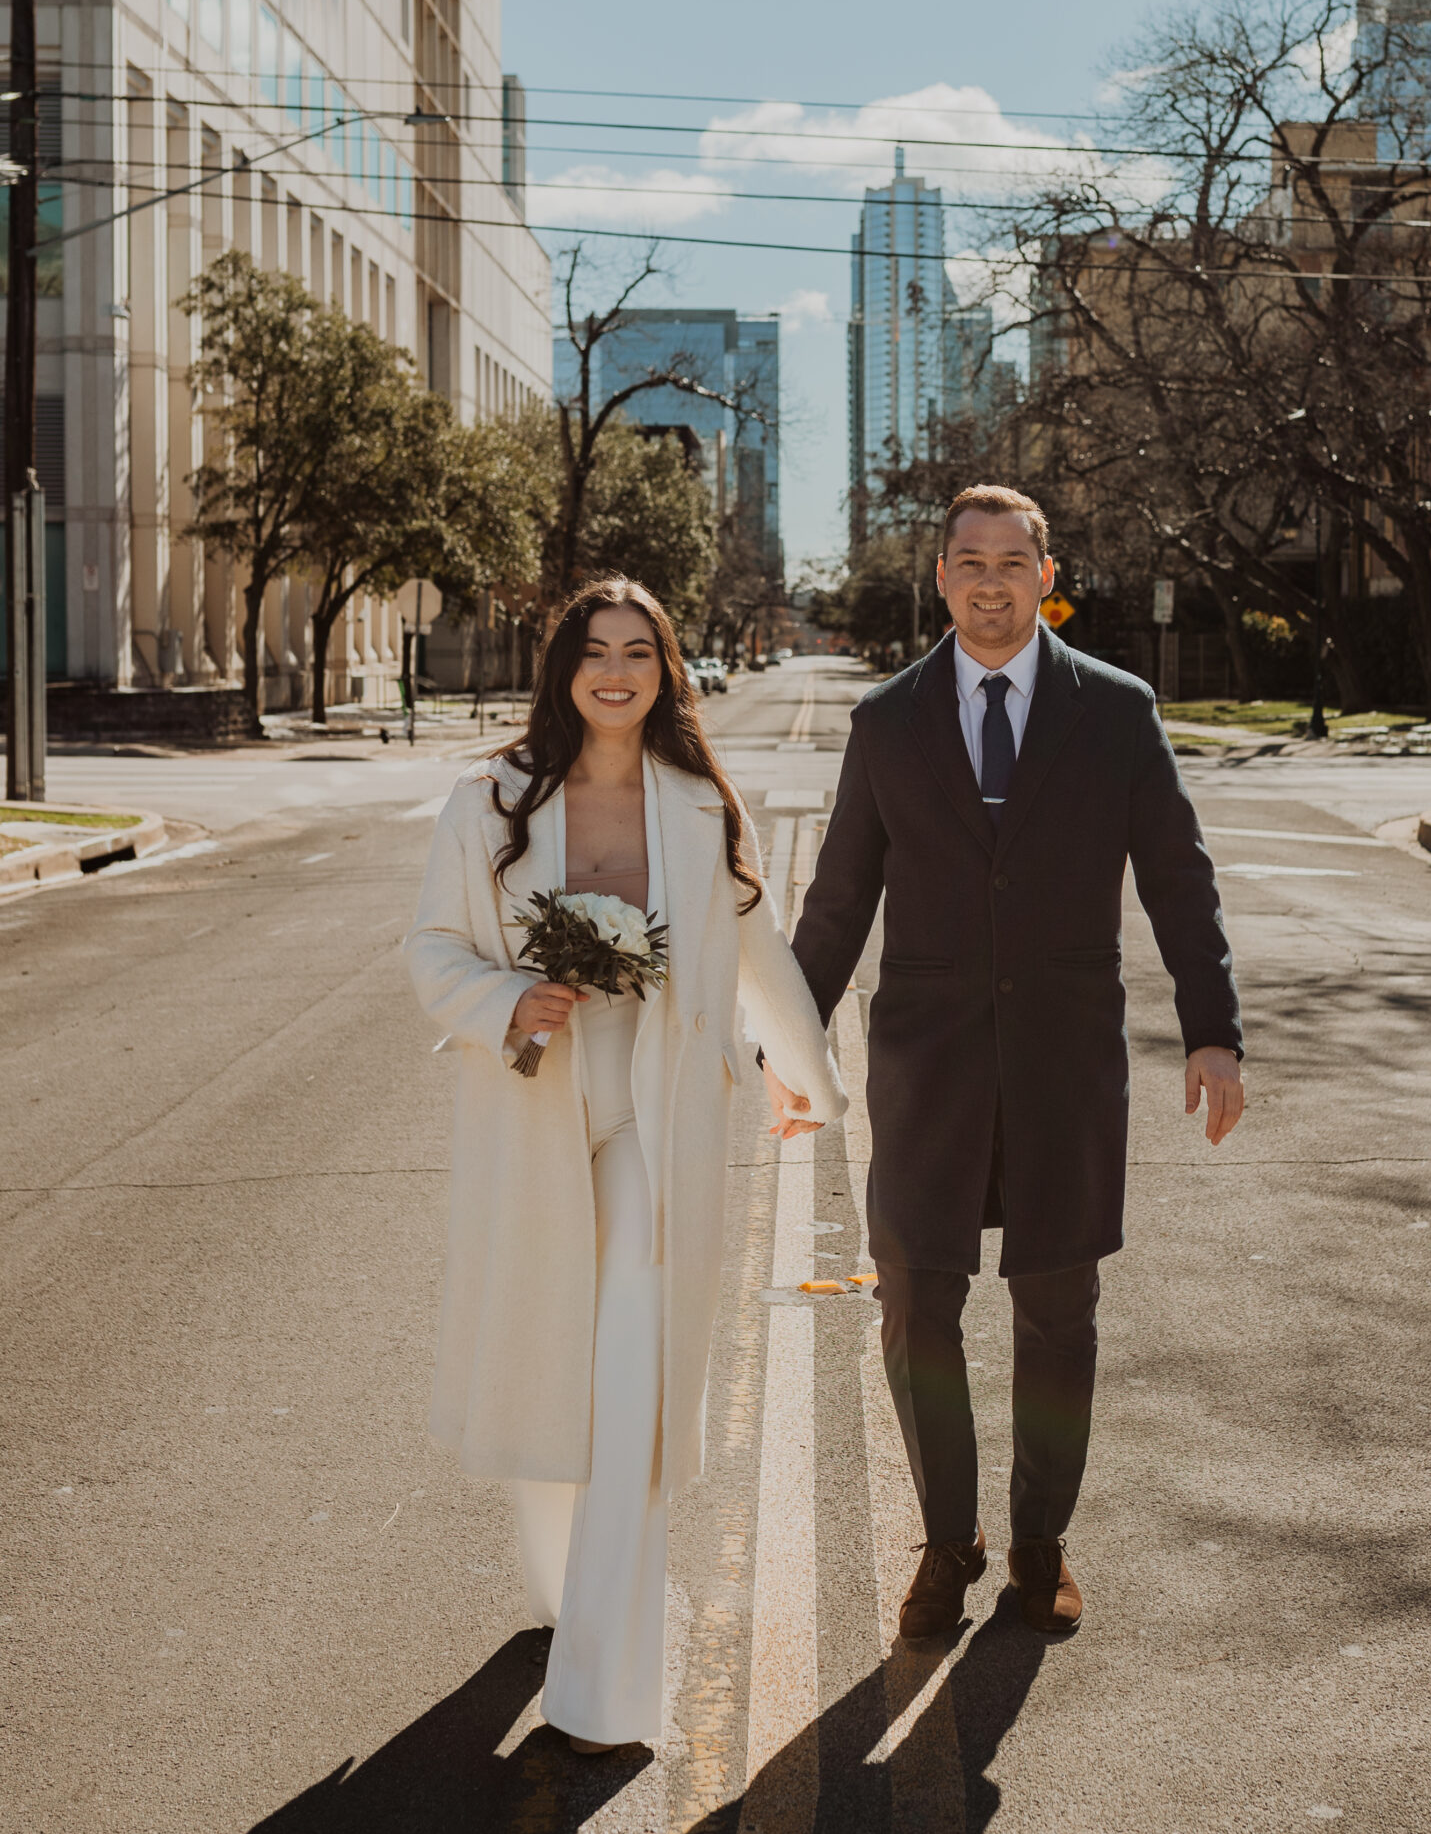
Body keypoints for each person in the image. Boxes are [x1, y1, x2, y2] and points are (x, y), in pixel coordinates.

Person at [770, 487, 1243, 1644]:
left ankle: (1040, 1542)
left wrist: (1213, 1030)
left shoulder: (1118, 712)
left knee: (1058, 1311)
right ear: (940, 578)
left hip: (1062, 1067)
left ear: (1047, 573)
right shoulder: (887, 720)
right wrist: (790, 1043)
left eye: (1012, 562)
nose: (991, 583)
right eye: (969, 563)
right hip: (927, 1069)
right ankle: (948, 1538)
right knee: (916, 1306)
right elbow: (837, 903)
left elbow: (1179, 877)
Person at [408, 578, 844, 1750]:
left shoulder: (699, 804)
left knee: (636, 1368)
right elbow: (431, 948)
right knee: (554, 1361)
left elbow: (758, 952)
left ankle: (605, 1678)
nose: (615, 671)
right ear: (564, 669)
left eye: (637, 652)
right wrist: (511, 997)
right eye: (594, 651)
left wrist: (809, 1074)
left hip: (661, 1118)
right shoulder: (489, 799)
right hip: (540, 1107)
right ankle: (563, 1579)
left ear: (665, 670)